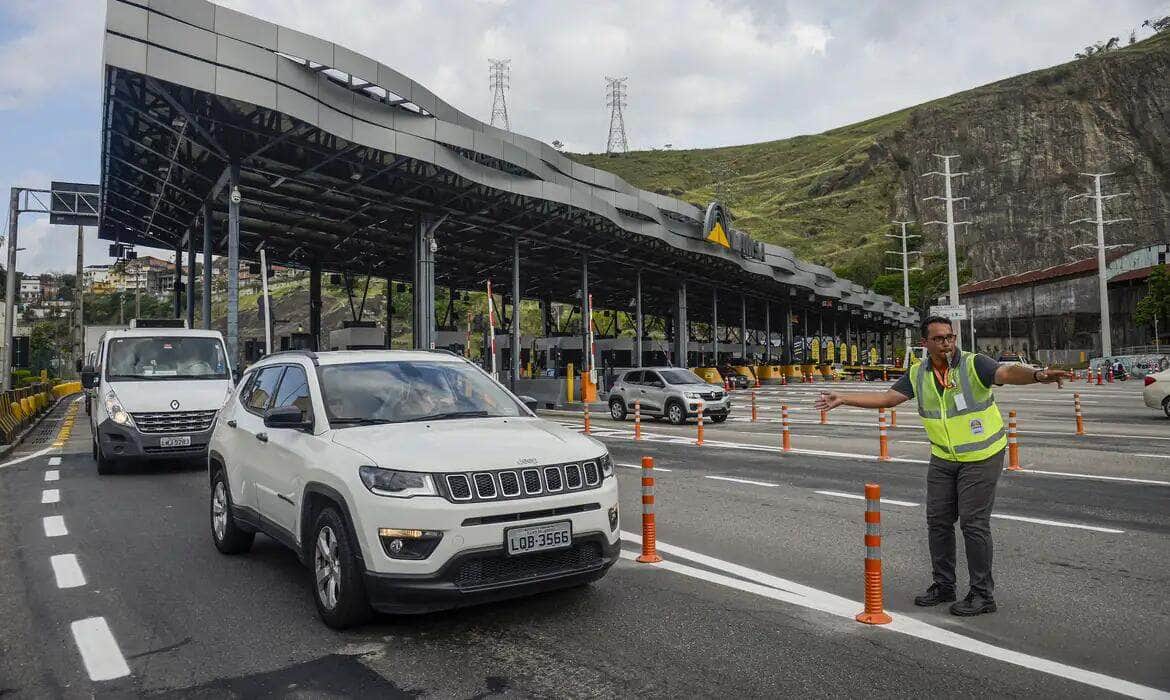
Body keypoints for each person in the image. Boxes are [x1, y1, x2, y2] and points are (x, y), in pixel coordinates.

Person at [814, 316, 1070, 616]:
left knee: (973, 524)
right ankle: (944, 585)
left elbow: (1007, 371)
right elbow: (887, 398)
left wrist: (1038, 375)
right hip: (944, 457)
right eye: (938, 338)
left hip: (982, 455)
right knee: (937, 521)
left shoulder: (974, 364)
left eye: (949, 337)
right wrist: (843, 398)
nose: (946, 342)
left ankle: (982, 594)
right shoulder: (917, 373)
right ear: (925, 343)